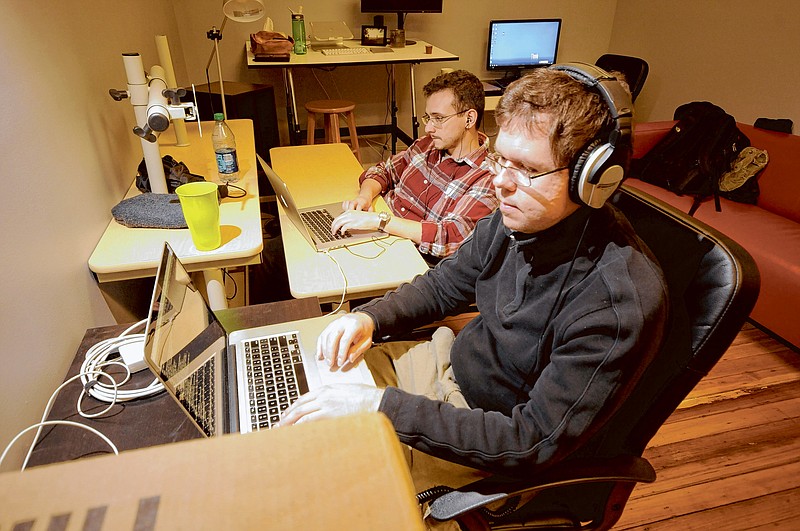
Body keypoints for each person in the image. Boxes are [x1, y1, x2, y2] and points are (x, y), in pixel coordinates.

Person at [281, 64, 668, 522]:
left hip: (484, 444)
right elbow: (447, 283)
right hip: (441, 366)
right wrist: (369, 319)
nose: (501, 181)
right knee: (296, 387)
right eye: (503, 159)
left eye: (528, 169)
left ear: (594, 180)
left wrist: (380, 406)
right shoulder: (517, 217)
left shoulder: (616, 302)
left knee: (314, 499)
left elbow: (530, 441)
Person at [331, 69, 498, 263]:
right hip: (378, 230)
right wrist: (364, 198)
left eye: (439, 118)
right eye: (428, 118)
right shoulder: (427, 144)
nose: (428, 128)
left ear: (469, 119)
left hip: (408, 257)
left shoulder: (487, 177)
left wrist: (380, 221)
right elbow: (383, 171)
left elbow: (449, 237)